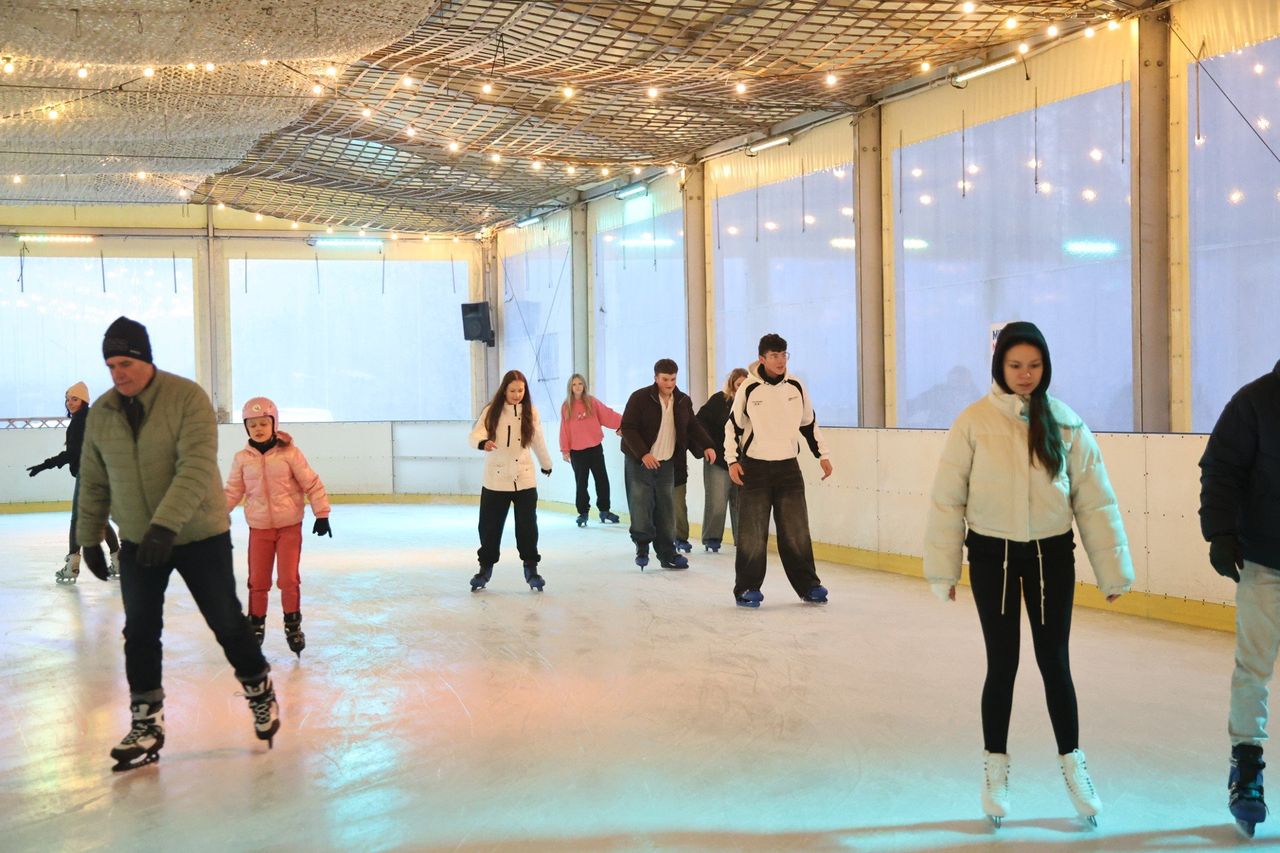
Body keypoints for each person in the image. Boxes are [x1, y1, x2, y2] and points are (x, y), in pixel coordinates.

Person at [924, 321, 1133, 828]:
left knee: (1054, 662)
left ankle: (1074, 764)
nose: (1024, 374)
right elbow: (948, 499)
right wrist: (944, 567)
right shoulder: (972, 422)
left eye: (1034, 365)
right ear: (1000, 366)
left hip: (1050, 557)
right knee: (1003, 664)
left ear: (1045, 367)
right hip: (992, 556)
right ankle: (994, 769)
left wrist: (1111, 572)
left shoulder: (1065, 423)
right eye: (1015, 365)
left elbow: (1094, 501)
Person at [76, 316, 279, 771]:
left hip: (198, 534)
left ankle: (258, 687)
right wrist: (88, 536)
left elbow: (195, 466)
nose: (118, 373)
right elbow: (93, 479)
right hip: (137, 539)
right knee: (140, 631)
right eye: (111, 365)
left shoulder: (186, 397)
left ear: (146, 360)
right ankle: (146, 722)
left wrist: (165, 527)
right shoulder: (104, 412)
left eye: (126, 362)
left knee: (226, 621)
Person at [1199, 358, 1280, 838]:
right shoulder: (1254, 402)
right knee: (1253, 668)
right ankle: (1246, 769)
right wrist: (1220, 532)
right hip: (1266, 562)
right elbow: (1222, 468)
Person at [725, 334, 832, 607]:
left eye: (784, 355)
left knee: (796, 530)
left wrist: (822, 455)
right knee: (752, 532)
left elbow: (809, 423)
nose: (780, 360)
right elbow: (733, 427)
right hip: (755, 468)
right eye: (774, 355)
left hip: (788, 467)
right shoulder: (749, 388)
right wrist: (732, 461)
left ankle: (809, 586)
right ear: (762, 359)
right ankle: (747, 589)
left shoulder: (795, 385)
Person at [225, 396, 332, 657]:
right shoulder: (242, 459)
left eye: (263, 423)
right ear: (246, 428)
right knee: (258, 581)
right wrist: (213, 518)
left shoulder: (290, 454)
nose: (258, 429)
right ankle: (256, 625)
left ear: (274, 423)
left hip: (288, 527)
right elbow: (232, 492)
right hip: (259, 529)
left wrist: (322, 513)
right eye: (252, 425)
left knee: (288, 580)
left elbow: (312, 483)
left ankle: (292, 624)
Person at [619, 358, 715, 570]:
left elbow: (693, 426)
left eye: (672, 379)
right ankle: (642, 546)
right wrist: (643, 453)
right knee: (641, 503)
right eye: (665, 379)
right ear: (656, 378)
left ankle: (667, 554)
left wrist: (707, 445)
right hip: (640, 462)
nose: (669, 383)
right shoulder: (640, 398)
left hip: (667, 464)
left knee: (666, 510)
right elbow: (628, 427)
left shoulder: (682, 401)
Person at [27, 381, 121, 583]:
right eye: (68, 399)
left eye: (75, 399)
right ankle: (119, 561)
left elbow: (73, 453)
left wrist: (45, 465)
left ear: (84, 400)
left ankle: (72, 566)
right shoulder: (89, 419)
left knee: (77, 520)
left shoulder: (81, 422)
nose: (70, 403)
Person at [469, 370, 553, 592]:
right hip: (496, 479)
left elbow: (537, 439)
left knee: (527, 526)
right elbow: (474, 435)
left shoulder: (530, 412)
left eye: (521, 390)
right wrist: (483, 443)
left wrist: (546, 463)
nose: (517, 395)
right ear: (504, 390)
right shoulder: (492, 411)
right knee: (489, 527)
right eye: (513, 390)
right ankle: (484, 568)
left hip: (524, 478)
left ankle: (531, 567)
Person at [559, 373, 622, 527]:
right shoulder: (566, 406)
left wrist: (624, 422)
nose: (577, 387)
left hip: (594, 448)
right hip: (577, 452)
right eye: (574, 384)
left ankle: (604, 510)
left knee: (602, 479)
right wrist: (565, 450)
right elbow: (564, 429)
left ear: (584, 386)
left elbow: (607, 414)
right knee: (581, 483)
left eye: (580, 383)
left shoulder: (592, 402)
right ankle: (583, 512)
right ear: (570, 387)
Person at [696, 367, 748, 553]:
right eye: (738, 384)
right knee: (717, 501)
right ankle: (712, 538)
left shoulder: (752, 403)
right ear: (732, 385)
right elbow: (699, 421)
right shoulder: (719, 400)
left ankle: (743, 539)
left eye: (745, 385)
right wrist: (707, 446)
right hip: (718, 458)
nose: (741, 388)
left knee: (741, 502)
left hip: (742, 461)